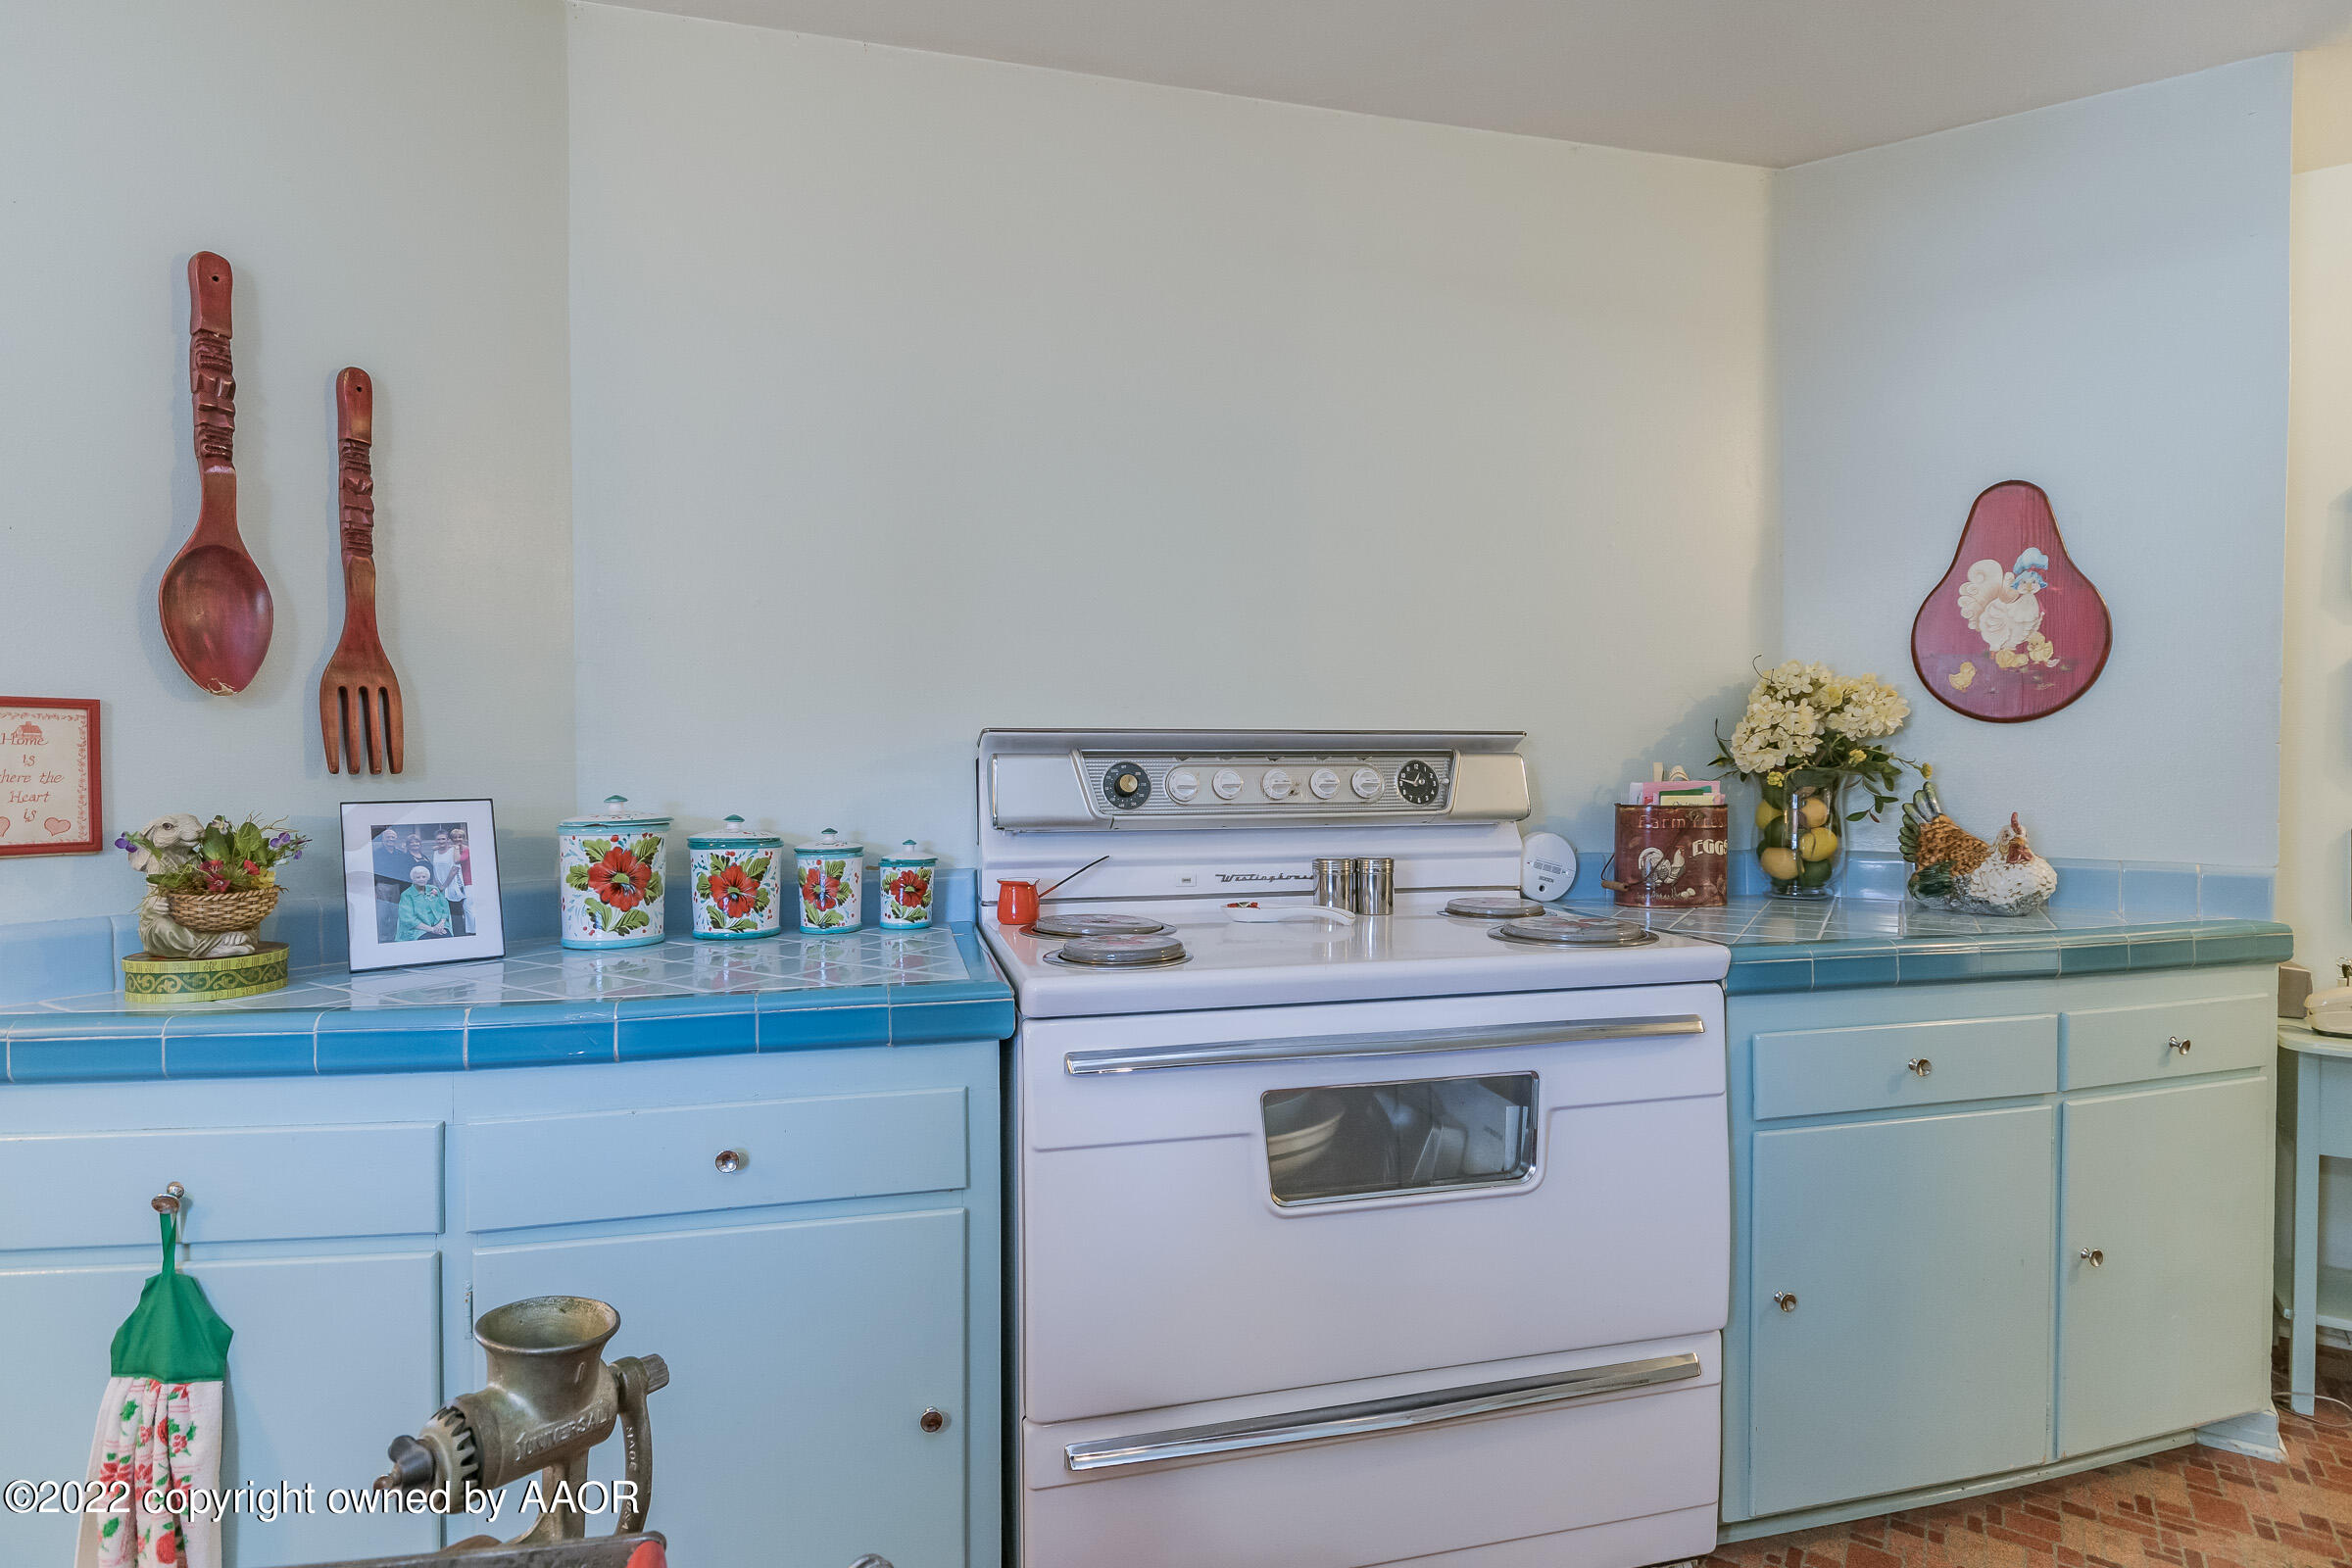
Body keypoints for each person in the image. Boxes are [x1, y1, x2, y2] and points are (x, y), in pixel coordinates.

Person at [371, 827, 411, 943]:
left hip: (396, 887)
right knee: (382, 915)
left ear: (396, 839)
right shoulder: (376, 853)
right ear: (383, 839)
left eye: (393, 837)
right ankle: (383, 938)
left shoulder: (399, 854)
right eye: (388, 837)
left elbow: (404, 869)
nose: (391, 839)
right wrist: (374, 888)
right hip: (381, 886)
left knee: (395, 914)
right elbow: (373, 871)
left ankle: (393, 937)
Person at [395, 864, 452, 942]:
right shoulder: (406, 895)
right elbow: (408, 919)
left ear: (428, 878)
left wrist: (441, 923)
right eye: (418, 877)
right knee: (426, 942)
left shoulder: (434, 889)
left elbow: (445, 908)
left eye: (424, 877)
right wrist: (432, 929)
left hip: (439, 926)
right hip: (418, 930)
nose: (421, 879)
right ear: (412, 879)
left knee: (447, 939)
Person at [433, 829, 470, 937]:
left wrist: (444, 885)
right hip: (440, 888)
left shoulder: (452, 851)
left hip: (452, 887)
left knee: (455, 915)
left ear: (448, 840)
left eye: (443, 839)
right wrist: (436, 886)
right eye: (438, 839)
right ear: (435, 841)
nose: (441, 841)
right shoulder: (435, 853)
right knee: (444, 914)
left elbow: (454, 869)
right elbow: (435, 870)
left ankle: (460, 936)